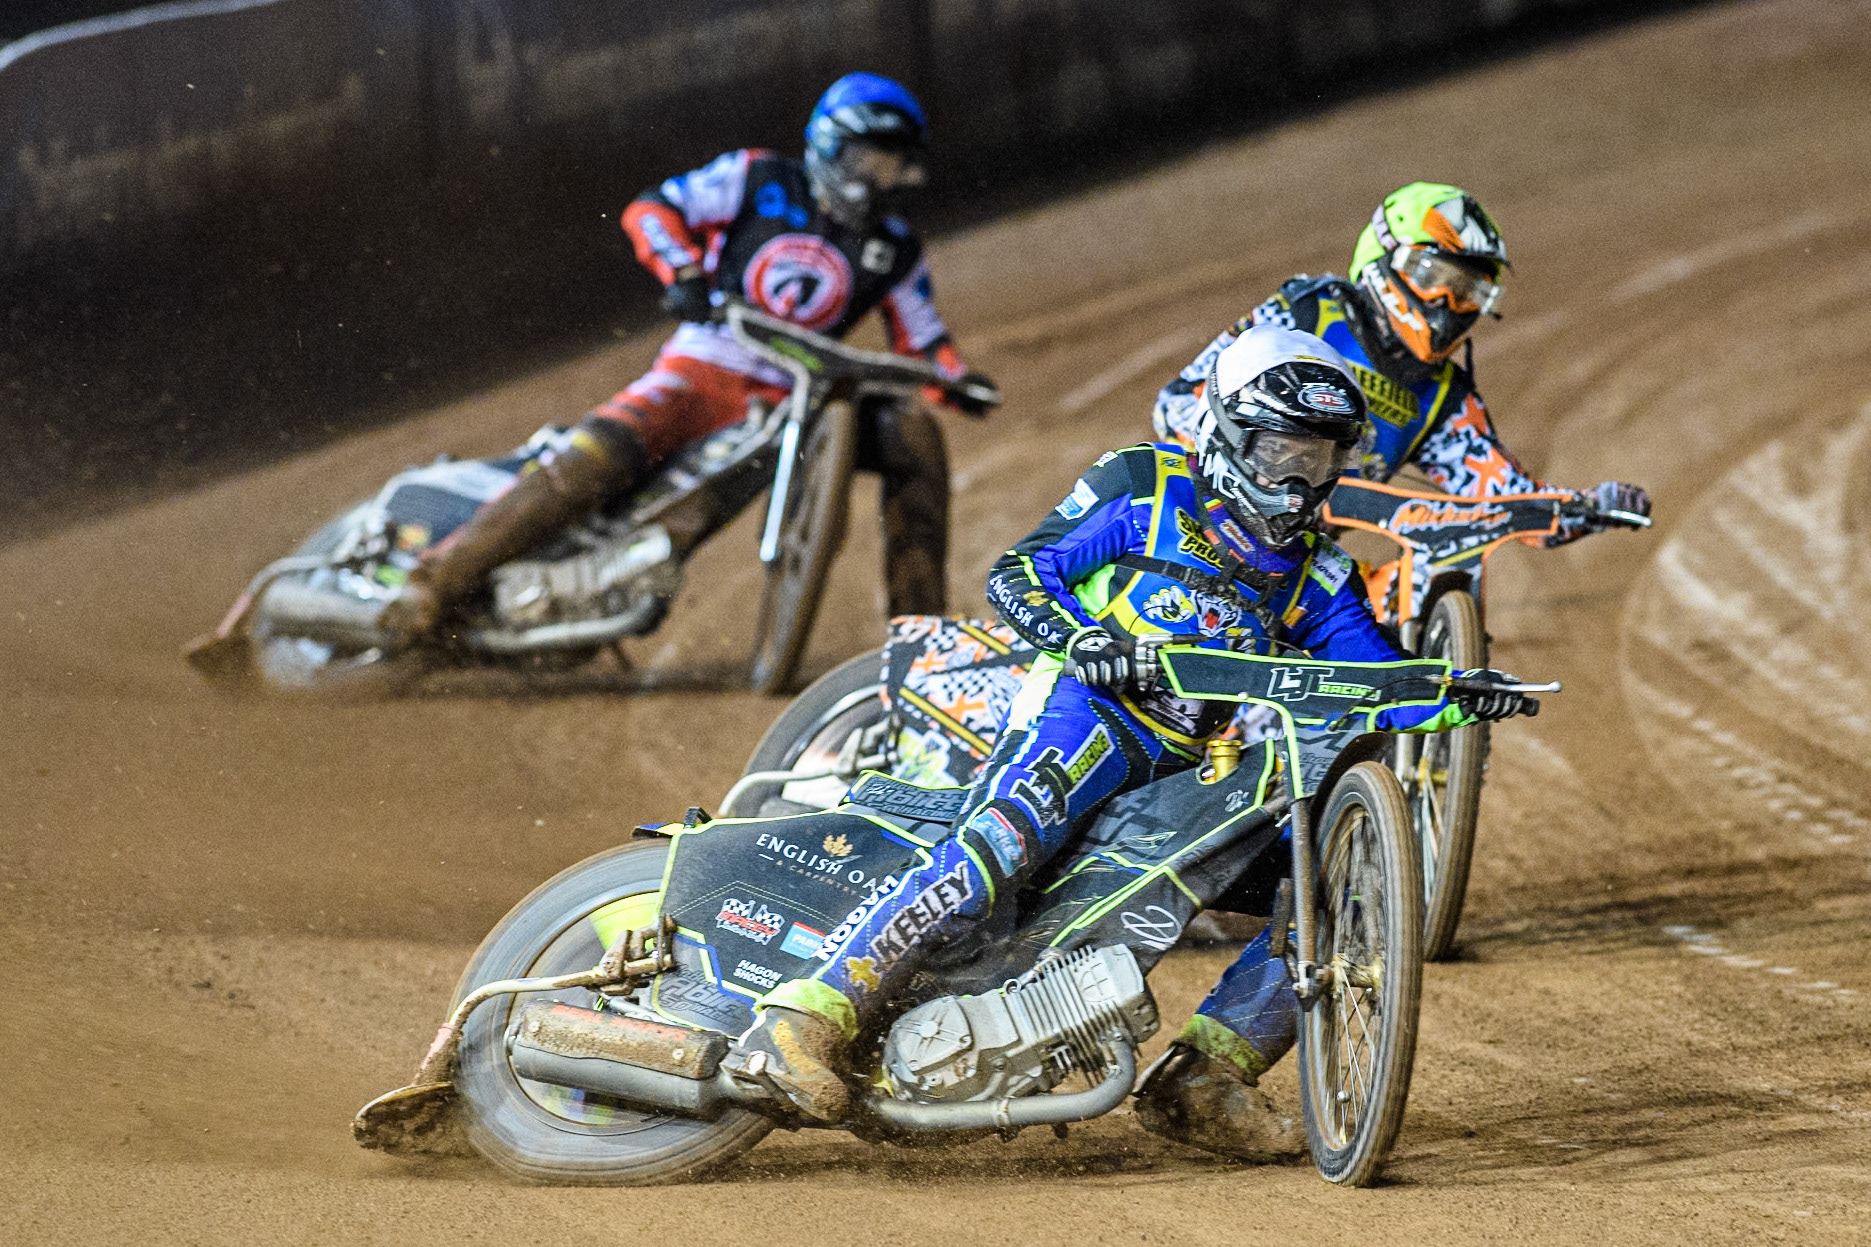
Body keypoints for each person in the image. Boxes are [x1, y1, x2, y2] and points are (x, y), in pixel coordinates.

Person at [736, 326, 1534, 1155]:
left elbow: (1378, 682)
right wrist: (1082, 638)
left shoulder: (1317, 572)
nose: (1298, 481)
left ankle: (1203, 1076)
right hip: (1085, 711)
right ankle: (801, 1018)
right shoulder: (1143, 484)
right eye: (1279, 453)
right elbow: (1019, 572)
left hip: (1185, 768)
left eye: (1320, 457)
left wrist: (1458, 695)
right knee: (999, 843)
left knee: (1329, 888)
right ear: (1227, 434)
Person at [379, 73, 994, 643]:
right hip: (703, 366)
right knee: (600, 455)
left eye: (892, 166)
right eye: (868, 161)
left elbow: (924, 341)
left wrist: (957, 381)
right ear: (831, 146)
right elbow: (653, 209)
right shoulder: (757, 177)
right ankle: (432, 585)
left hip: (799, 402)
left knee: (913, 434)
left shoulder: (896, 248)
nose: (879, 180)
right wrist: (682, 271)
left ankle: (923, 640)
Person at [1152, 182, 1649, 538]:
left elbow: (1501, 498)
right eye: (1434, 277)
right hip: (1196, 526)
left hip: (1302, 558)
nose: (1448, 304)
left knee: (1399, 596)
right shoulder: (1309, 310)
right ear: (1385, 255)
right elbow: (1177, 403)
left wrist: (1585, 507)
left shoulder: (1443, 397)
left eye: (1468, 292)